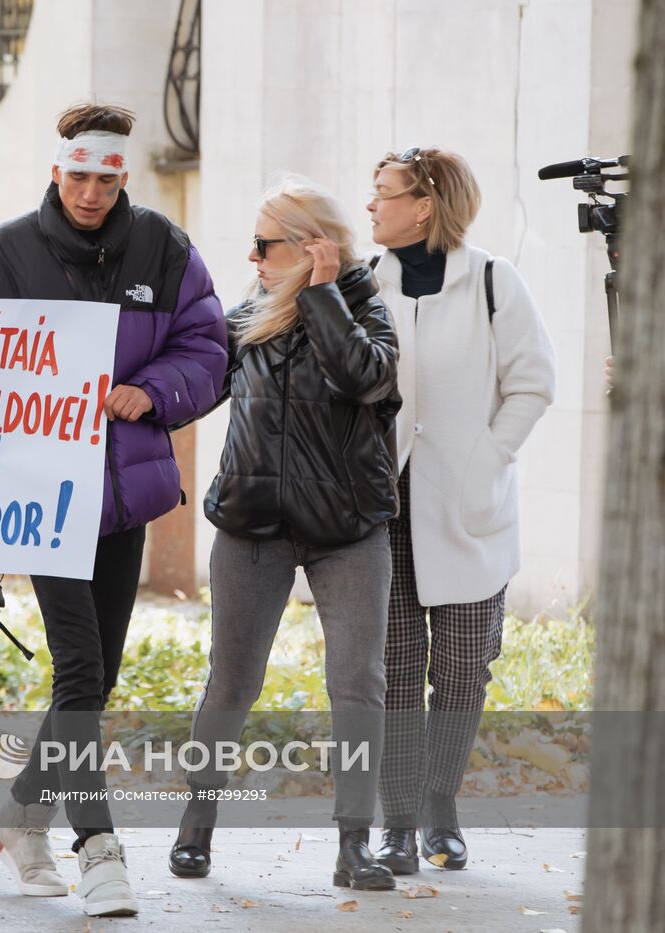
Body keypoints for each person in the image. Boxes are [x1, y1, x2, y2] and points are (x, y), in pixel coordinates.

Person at [0, 103, 228, 918]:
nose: (91, 192)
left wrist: (155, 391)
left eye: (106, 180)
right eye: (78, 176)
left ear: (123, 178)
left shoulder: (167, 250)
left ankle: (24, 815)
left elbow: (207, 348)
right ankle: (98, 845)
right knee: (78, 669)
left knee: (95, 677)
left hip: (127, 489)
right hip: (40, 491)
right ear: (55, 170)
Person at [172, 173, 400, 893]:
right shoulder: (246, 319)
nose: (253, 258)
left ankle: (353, 845)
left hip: (346, 529)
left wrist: (324, 293)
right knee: (233, 682)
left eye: (264, 244)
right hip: (253, 526)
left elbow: (364, 378)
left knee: (357, 684)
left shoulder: (367, 312)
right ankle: (194, 829)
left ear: (310, 247)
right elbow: (193, 386)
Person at [365, 147, 555, 874]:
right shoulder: (364, 283)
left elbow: (533, 383)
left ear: (425, 204)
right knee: (397, 669)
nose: (372, 205)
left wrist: (486, 461)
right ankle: (399, 821)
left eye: (384, 193)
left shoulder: (494, 284)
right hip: (385, 512)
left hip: (472, 512)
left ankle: (442, 803)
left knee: (465, 669)